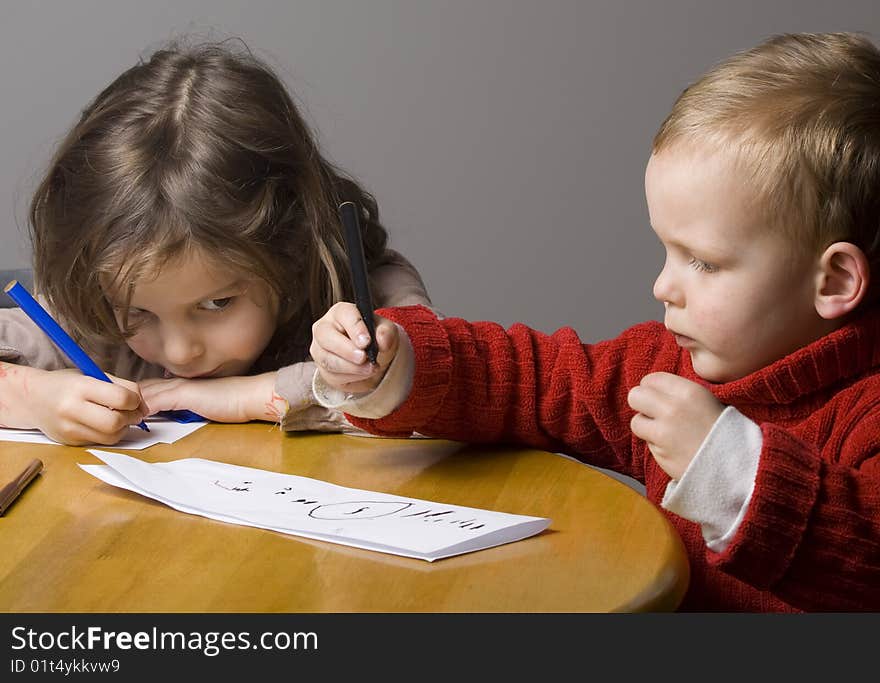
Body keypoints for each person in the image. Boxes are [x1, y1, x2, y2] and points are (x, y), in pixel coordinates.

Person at [309, 32, 880, 611]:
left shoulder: (867, 412)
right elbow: (534, 379)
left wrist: (734, 474)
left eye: (704, 262)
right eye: (667, 251)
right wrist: (401, 361)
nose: (662, 286)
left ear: (833, 282)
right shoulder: (667, 366)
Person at [0, 39, 432, 446]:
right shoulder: (93, 314)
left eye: (217, 303)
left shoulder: (372, 295)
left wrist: (247, 396)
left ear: (292, 251)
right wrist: (28, 396)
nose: (181, 351)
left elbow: (430, 387)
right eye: (137, 311)